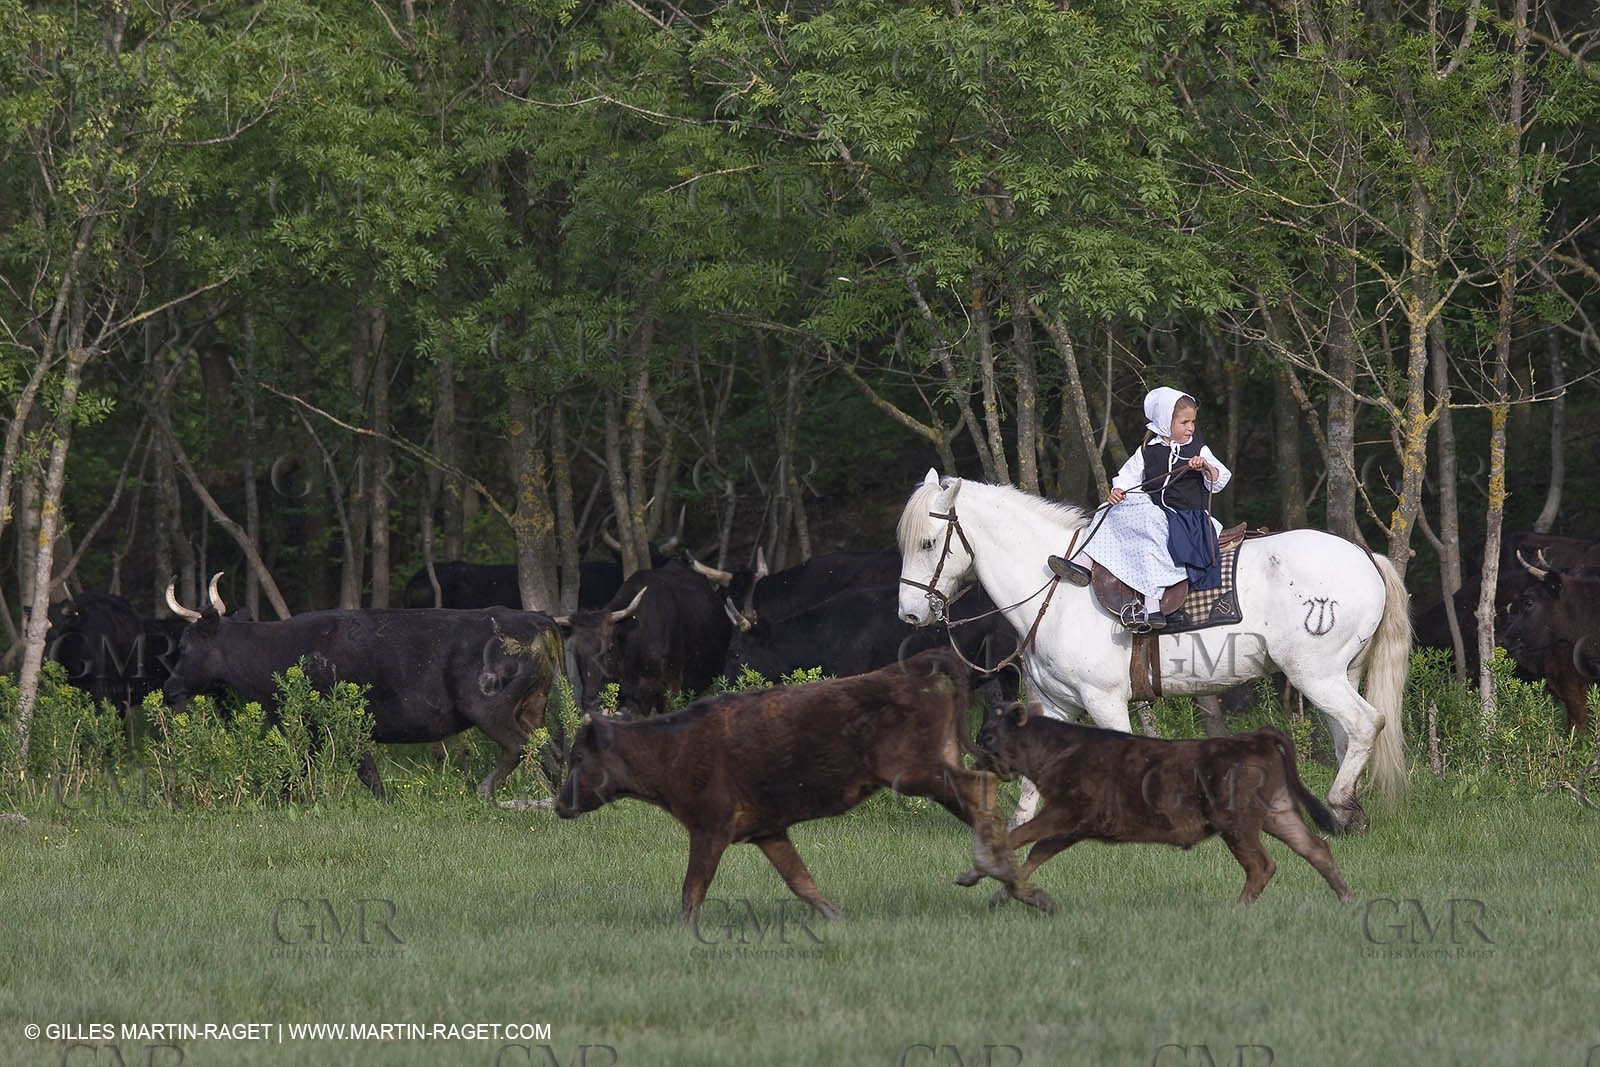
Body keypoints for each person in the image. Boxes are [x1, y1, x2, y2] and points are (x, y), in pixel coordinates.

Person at [1048, 387, 1231, 631]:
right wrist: (1119, 490)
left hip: (1186, 517)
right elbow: (1127, 476)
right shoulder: (1148, 449)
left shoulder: (1198, 449)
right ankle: (1083, 561)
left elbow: (1220, 478)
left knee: (1150, 528)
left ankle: (1153, 605)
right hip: (1155, 511)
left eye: (1192, 422)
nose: (1190, 428)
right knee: (1109, 509)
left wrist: (1205, 466)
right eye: (1184, 422)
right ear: (1166, 421)